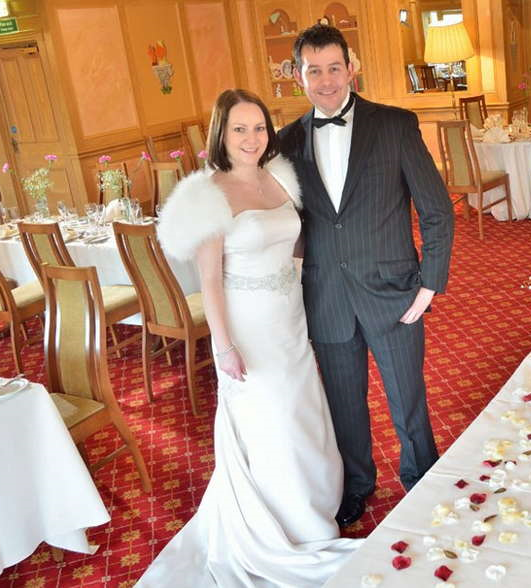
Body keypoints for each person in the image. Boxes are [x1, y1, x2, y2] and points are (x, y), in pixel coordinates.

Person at [138, 89, 359, 587]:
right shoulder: (208, 195)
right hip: (248, 328)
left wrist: (300, 281)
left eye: (259, 128)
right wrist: (223, 346)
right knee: (272, 420)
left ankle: (315, 510)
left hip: (289, 319)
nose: (251, 138)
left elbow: (295, 240)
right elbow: (210, 281)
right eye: (239, 129)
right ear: (221, 134)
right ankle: (283, 527)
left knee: (302, 412)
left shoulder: (277, 175)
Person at [278, 25, 454, 528]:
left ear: (351, 68)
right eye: (314, 71)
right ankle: (356, 484)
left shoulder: (395, 125)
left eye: (335, 68)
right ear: (298, 76)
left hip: (395, 292)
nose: (326, 80)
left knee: (407, 399)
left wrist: (429, 284)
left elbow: (437, 210)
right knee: (344, 405)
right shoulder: (286, 142)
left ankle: (420, 477)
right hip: (326, 296)